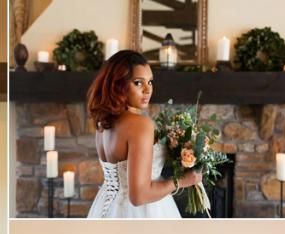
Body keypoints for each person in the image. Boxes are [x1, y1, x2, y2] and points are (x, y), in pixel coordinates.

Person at [86, 50, 202, 218]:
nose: (148, 90)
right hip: (142, 214)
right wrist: (182, 181)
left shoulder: (102, 123)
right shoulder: (140, 125)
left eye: (150, 82)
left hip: (105, 209)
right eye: (138, 83)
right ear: (118, 85)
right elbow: (139, 196)